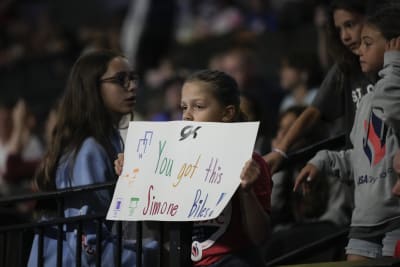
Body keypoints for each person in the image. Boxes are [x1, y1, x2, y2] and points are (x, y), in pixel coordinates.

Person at [115, 69, 272, 267]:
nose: (187, 116)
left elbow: (261, 236)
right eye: (183, 107)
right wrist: (133, 174)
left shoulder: (251, 163)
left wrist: (247, 192)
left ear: (227, 113)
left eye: (198, 106)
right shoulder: (175, 162)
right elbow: (155, 225)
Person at [294, 5, 400, 261]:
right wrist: (323, 160)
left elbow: (391, 109)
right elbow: (364, 158)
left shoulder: (391, 92)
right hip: (363, 220)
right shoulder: (365, 101)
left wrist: (395, 66)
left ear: (393, 46)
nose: (359, 51)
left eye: (368, 43)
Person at [28, 50, 139, 266]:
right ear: (92, 89)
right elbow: (88, 249)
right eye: (120, 80)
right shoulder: (89, 148)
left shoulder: (110, 138)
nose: (132, 86)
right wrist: (156, 253)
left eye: (132, 78)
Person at [264, 0, 373, 173]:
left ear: (371, 19)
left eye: (350, 25)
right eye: (339, 30)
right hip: (361, 172)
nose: (344, 36)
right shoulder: (345, 67)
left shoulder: (392, 63)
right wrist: (280, 151)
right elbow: (314, 111)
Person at [264, 105, 352, 262]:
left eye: (290, 129)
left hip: (327, 231)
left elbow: (338, 214)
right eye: (281, 129)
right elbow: (274, 206)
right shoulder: (290, 170)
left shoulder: (327, 161)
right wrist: (279, 162)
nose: (284, 136)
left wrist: (302, 231)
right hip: (296, 232)